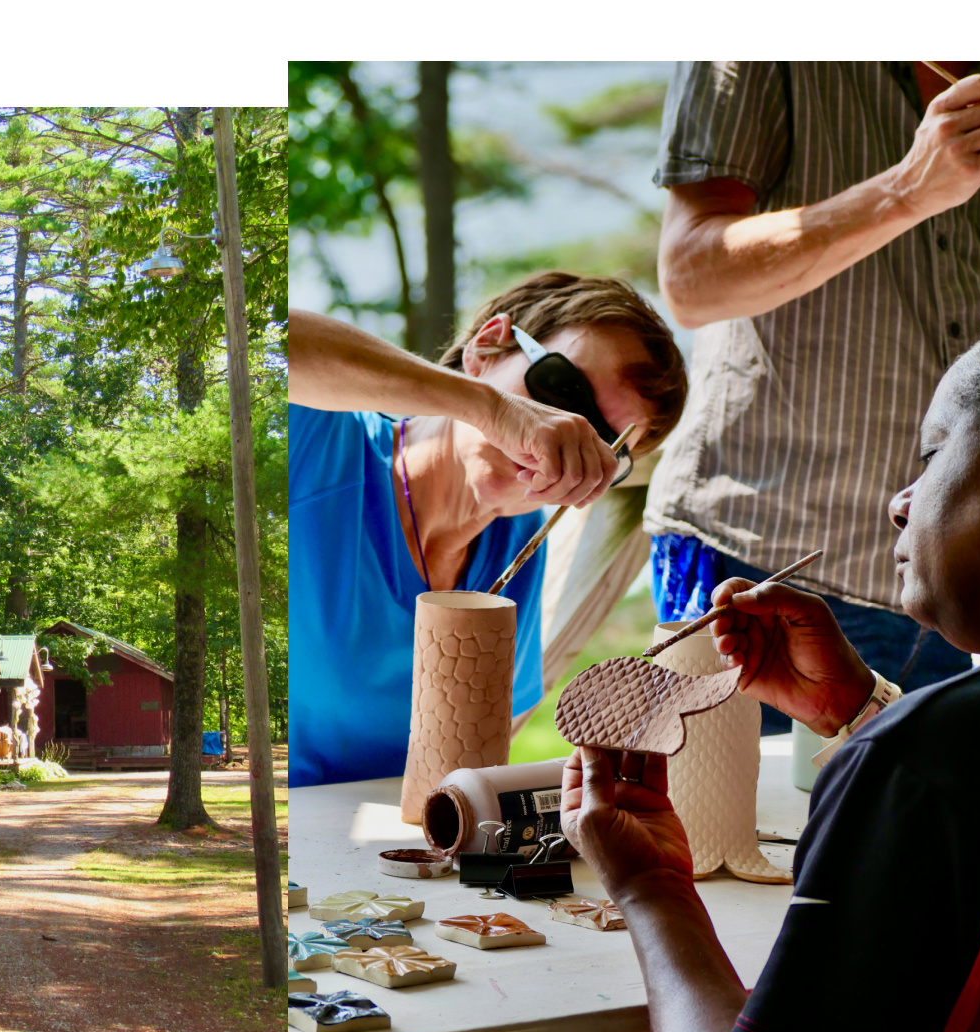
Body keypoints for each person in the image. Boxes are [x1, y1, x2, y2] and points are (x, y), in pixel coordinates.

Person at [562, 328, 980, 1032]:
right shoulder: (945, 751)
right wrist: (863, 709)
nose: (899, 500)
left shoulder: (927, 763)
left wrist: (651, 891)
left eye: (934, 454)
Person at [646, 62, 980, 732]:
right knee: (722, 830)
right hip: (758, 563)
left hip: (966, 592)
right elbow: (691, 279)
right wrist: (907, 189)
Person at [289, 272, 689, 788]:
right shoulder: (321, 445)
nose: (562, 437)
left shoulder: (517, 553)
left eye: (603, 446)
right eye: (560, 389)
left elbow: (466, 765)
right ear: (487, 346)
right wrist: (489, 408)